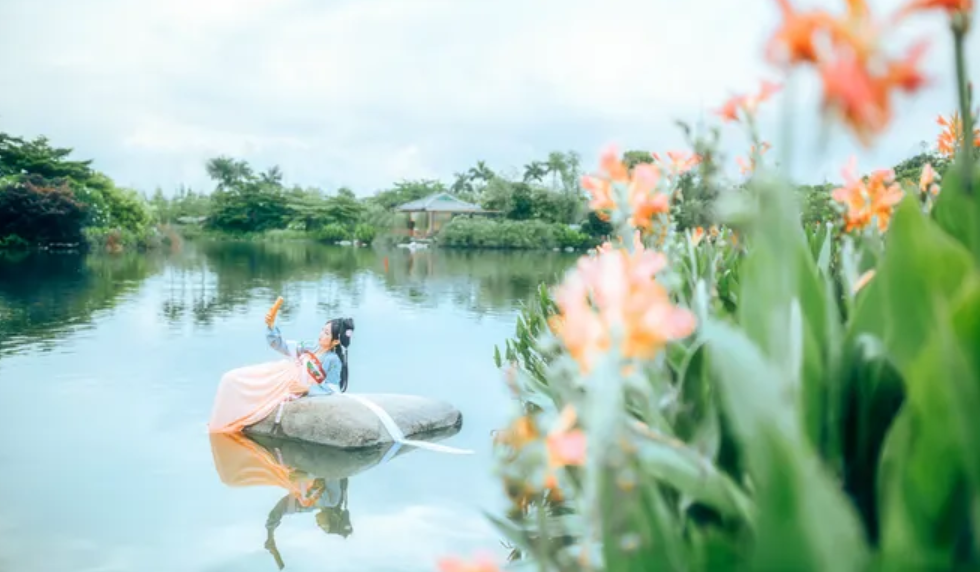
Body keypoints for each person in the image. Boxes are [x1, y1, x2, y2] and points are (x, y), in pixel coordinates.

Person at [207, 296, 354, 433]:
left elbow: (332, 388)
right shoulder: (311, 346)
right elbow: (280, 345)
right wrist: (271, 326)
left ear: (335, 341)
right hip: (281, 374)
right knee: (233, 379)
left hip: (290, 387)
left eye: (326, 333)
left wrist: (307, 389)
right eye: (323, 330)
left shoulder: (332, 360)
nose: (321, 334)